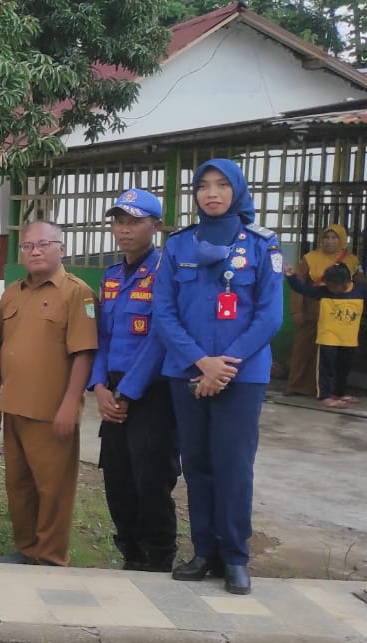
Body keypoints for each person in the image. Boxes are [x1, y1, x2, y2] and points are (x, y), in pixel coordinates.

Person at [154, 159, 284, 596]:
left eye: (222, 185)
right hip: (187, 373)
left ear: (238, 191)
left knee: (233, 466)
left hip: (242, 377)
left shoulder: (263, 244)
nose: (212, 193)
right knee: (197, 464)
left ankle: (234, 556)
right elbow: (164, 313)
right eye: (203, 186)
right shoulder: (178, 246)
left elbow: (269, 316)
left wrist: (225, 364)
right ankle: (203, 550)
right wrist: (200, 362)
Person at [0, 221, 98, 567]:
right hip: (14, 406)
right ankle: (27, 549)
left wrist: (71, 403)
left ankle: (51, 558)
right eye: (27, 246)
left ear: (61, 248)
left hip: (52, 411)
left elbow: (83, 353)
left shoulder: (76, 293)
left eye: (43, 244)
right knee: (19, 487)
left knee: (53, 490)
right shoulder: (13, 292)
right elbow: (0, 346)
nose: (35, 251)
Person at [90, 189, 180, 572]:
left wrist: (127, 391)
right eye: (118, 222)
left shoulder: (165, 273)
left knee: (152, 479)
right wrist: (98, 387)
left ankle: (158, 556)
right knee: (118, 478)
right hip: (112, 391)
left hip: (152, 394)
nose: (124, 230)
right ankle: (130, 552)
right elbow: (102, 337)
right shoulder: (111, 277)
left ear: (155, 225)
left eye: (134, 222)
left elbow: (162, 337)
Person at [285, 224, 359, 397]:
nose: (329, 241)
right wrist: (297, 311)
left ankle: (327, 390)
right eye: (326, 237)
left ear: (341, 240)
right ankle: (297, 386)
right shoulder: (309, 259)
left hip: (337, 317)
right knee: (303, 350)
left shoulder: (351, 261)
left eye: (334, 238)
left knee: (331, 356)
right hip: (311, 311)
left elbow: (357, 285)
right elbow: (300, 287)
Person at [286, 263, 366, 408]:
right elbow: (303, 289)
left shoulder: (360, 292)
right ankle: (325, 396)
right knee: (326, 369)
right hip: (328, 338)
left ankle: (339, 393)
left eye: (333, 286)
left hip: (349, 339)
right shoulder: (324, 292)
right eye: (328, 285)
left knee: (344, 368)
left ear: (346, 283)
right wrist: (291, 276)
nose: (331, 288)